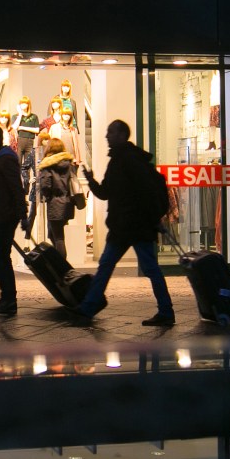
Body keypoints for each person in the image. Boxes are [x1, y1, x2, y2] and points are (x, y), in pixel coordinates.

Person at [76, 120, 176, 327]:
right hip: (132, 226)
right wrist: (91, 180)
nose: (107, 136)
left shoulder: (126, 161)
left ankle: (89, 307)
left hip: (130, 226)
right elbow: (105, 193)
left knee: (111, 265)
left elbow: (113, 193)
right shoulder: (125, 160)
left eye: (110, 132)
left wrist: (150, 219)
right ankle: (165, 311)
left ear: (122, 135)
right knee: (142, 268)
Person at [0, 123, 26, 317]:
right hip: (2, 215)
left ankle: (8, 298)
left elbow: (16, 188)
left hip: (5, 216)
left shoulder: (5, 159)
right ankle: (8, 299)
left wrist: (22, 214)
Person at [34, 136, 76, 258]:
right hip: (68, 202)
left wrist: (46, 196)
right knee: (53, 234)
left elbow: (46, 185)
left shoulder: (48, 165)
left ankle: (63, 266)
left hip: (55, 202)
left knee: (58, 237)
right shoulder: (69, 164)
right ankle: (59, 260)